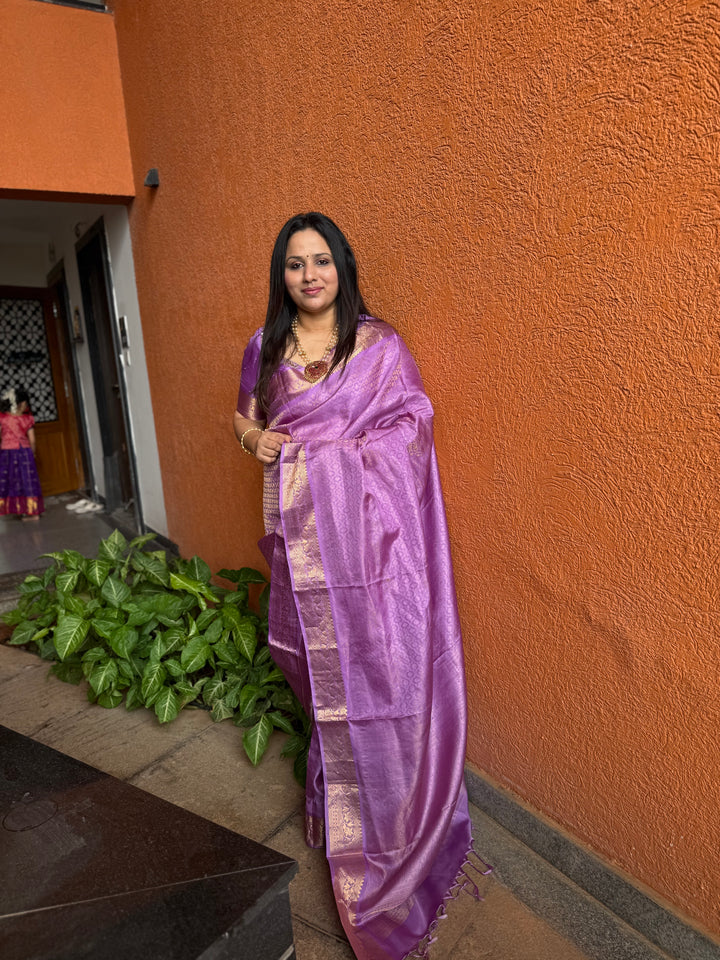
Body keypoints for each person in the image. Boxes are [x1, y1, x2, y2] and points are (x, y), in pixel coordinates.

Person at [233, 213, 489, 960]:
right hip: (303, 553)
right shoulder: (264, 346)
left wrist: (329, 462)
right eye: (293, 264)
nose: (308, 275)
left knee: (384, 675)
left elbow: (413, 424)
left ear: (342, 266)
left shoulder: (380, 347)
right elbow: (243, 419)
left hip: (374, 555)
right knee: (322, 676)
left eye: (320, 261)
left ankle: (398, 828)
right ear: (281, 275)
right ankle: (344, 804)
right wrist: (259, 440)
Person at [0, 387, 44, 520]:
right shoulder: (27, 419)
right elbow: (33, 440)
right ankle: (33, 512)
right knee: (28, 481)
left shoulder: (3, 418)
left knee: (12, 481)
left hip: (7, 453)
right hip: (25, 452)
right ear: (23, 403)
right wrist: (33, 453)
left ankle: (17, 508)